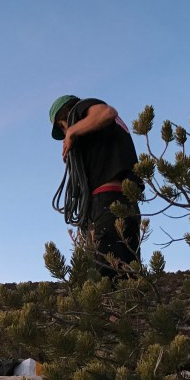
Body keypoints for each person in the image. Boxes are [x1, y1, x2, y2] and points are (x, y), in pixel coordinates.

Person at [49, 94, 143, 279]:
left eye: (62, 126)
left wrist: (72, 132)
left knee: (105, 278)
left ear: (67, 116)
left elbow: (107, 112)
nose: (65, 131)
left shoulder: (82, 108)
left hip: (105, 203)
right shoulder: (107, 132)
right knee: (129, 276)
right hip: (127, 203)